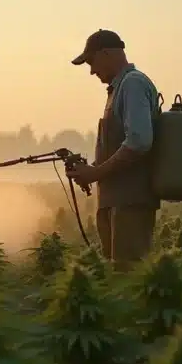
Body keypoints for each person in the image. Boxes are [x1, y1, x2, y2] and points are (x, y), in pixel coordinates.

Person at [64, 29, 160, 272]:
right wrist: (91, 170)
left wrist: (95, 174)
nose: (92, 71)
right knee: (115, 276)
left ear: (106, 54)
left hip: (130, 202)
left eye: (91, 62)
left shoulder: (133, 84)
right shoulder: (119, 88)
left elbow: (139, 142)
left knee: (128, 278)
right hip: (115, 202)